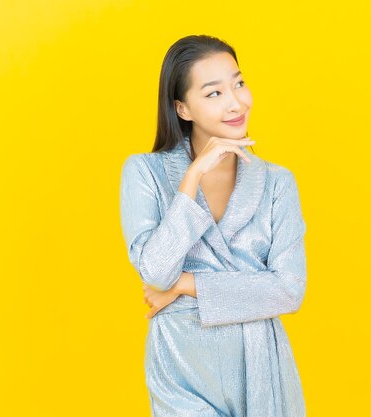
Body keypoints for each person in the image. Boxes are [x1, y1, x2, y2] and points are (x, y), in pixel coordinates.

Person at [119, 34, 307, 417]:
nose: (236, 102)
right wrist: (192, 176)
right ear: (182, 108)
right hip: (182, 367)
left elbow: (288, 290)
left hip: (261, 368)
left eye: (238, 83)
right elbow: (155, 271)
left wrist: (185, 285)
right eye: (214, 93)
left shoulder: (277, 183)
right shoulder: (145, 173)